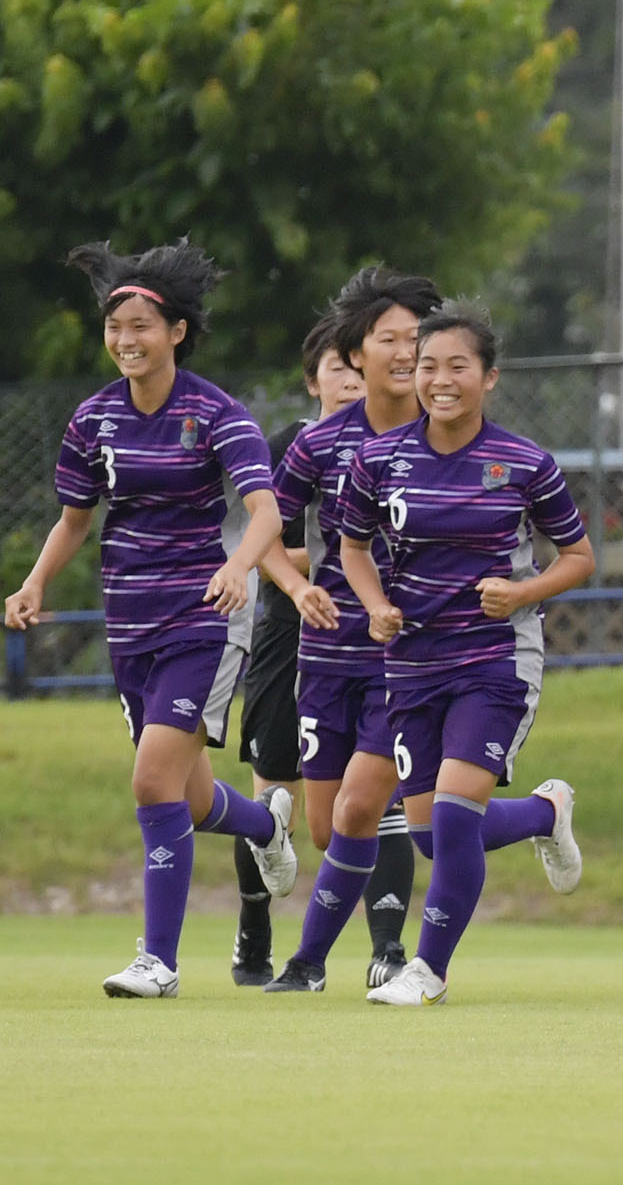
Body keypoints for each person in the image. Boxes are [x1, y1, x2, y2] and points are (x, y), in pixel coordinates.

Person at [6, 241, 300, 997]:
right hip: (128, 628)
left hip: (200, 622)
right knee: (190, 796)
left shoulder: (214, 412)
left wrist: (237, 566)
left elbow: (265, 511)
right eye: (115, 327)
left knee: (149, 783)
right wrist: (35, 582)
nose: (126, 339)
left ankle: (158, 962)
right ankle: (267, 825)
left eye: (141, 325)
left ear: (176, 331)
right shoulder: (95, 417)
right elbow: (75, 519)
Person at [335, 302, 597, 1006]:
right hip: (412, 665)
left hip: (495, 659)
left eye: (458, 367)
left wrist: (523, 593)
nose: (440, 380)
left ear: (490, 378)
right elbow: (352, 549)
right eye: (428, 366)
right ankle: (546, 814)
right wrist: (375, 607)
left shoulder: (523, 464)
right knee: (428, 835)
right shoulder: (378, 459)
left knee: (452, 818)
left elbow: (578, 557)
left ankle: (427, 972)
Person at [263, 268, 445, 994]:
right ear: (355, 350)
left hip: (405, 658)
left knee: (363, 805)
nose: (406, 352)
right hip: (326, 654)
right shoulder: (319, 444)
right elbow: (266, 532)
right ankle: (543, 813)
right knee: (326, 826)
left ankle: (321, 962)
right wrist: (298, 585)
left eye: (417, 339)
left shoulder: (450, 439)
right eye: (390, 338)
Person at [228, 321, 367, 985]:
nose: (352, 380)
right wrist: (320, 574)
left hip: (364, 641)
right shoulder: (291, 447)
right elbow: (270, 540)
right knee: (269, 792)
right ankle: (253, 932)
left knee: (356, 805)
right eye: (339, 367)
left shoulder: (399, 443)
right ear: (313, 380)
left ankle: (380, 947)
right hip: (289, 628)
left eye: (360, 368)